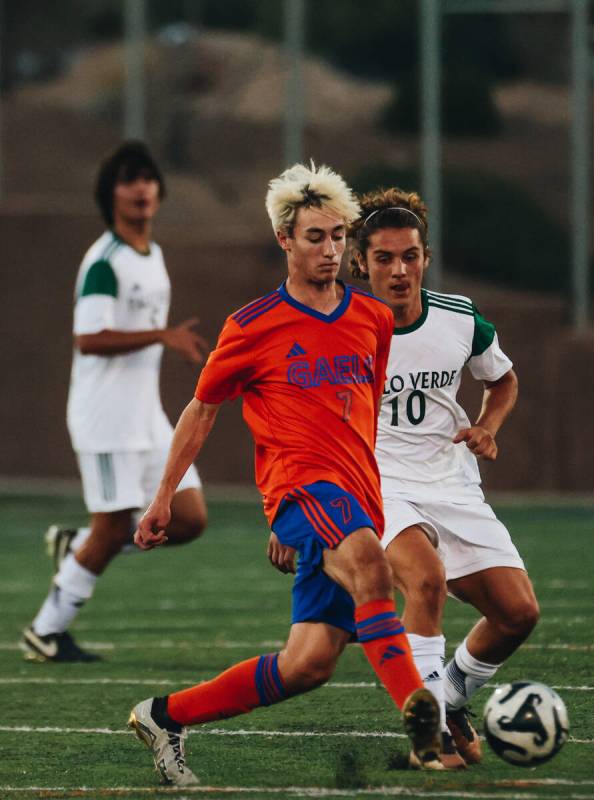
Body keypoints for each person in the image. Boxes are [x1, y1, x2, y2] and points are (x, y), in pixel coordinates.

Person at [128, 162, 441, 787]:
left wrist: (309, 533)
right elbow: (200, 410)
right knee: (375, 570)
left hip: (349, 501)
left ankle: (165, 715)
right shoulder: (250, 327)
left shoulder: (373, 320)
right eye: (315, 237)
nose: (331, 250)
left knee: (309, 663)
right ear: (284, 241)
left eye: (337, 237)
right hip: (303, 490)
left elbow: (361, 417)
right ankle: (420, 714)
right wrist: (163, 497)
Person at [346, 188, 540, 767]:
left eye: (409, 256)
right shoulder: (343, 328)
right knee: (425, 580)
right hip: (381, 483)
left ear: (425, 257)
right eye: (384, 258)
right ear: (362, 263)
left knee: (518, 614)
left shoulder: (458, 317)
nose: (398, 269)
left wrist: (488, 426)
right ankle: (425, 739)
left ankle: (450, 696)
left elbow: (501, 380)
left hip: (452, 483)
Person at [21, 141, 208, 663]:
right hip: (105, 417)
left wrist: (163, 337)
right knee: (112, 527)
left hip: (146, 415)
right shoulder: (104, 262)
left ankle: (81, 543)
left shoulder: (154, 256)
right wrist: (160, 335)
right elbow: (89, 338)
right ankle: (44, 632)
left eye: (148, 178)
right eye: (129, 179)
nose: (141, 188)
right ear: (111, 194)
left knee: (189, 519)